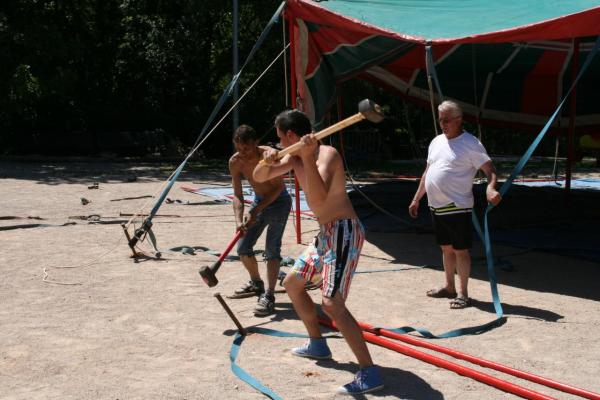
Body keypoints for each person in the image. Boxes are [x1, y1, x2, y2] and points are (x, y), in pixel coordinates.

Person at [253, 110, 384, 395]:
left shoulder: (327, 154)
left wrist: (308, 158)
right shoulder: (292, 156)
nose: (278, 142)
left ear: (290, 135)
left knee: (331, 303)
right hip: (326, 234)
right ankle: (318, 343)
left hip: (344, 231)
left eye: (279, 137)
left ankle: (369, 371)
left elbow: (320, 196)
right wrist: (269, 160)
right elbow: (258, 175)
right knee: (292, 284)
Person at [408, 100, 502, 309]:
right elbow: (427, 173)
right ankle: (449, 287)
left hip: (458, 207)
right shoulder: (436, 142)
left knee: (460, 250)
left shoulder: (471, 143)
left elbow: (490, 170)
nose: (443, 124)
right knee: (446, 248)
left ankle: (463, 294)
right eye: (441, 120)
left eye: (447, 120)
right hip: (436, 206)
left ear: (459, 120)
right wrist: (417, 198)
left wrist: (490, 188)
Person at [229, 124, 292, 316]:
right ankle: (256, 283)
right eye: (238, 148)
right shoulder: (235, 162)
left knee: (272, 250)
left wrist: (256, 210)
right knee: (242, 248)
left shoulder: (268, 156)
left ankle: (269, 295)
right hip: (258, 201)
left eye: (246, 148)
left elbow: (278, 188)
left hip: (279, 202)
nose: (243, 153)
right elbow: (238, 195)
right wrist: (238, 220)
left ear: (256, 143)